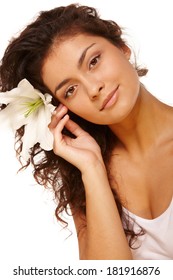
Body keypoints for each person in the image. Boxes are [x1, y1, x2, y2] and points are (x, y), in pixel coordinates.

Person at [0, 3, 173, 260]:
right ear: (63, 109)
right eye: (70, 90)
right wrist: (92, 169)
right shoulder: (86, 179)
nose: (93, 88)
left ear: (122, 47)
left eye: (93, 61)